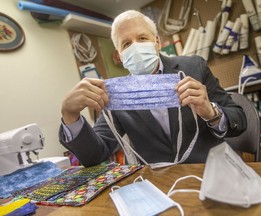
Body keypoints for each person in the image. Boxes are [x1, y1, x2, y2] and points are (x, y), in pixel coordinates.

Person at [59, 10, 246, 167]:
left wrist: (211, 112)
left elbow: (239, 120)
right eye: (126, 44)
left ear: (156, 42)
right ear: (121, 56)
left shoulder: (194, 68)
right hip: (159, 184)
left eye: (142, 38)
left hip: (211, 171)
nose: (136, 47)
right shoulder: (117, 96)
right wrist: (70, 116)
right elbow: (95, 155)